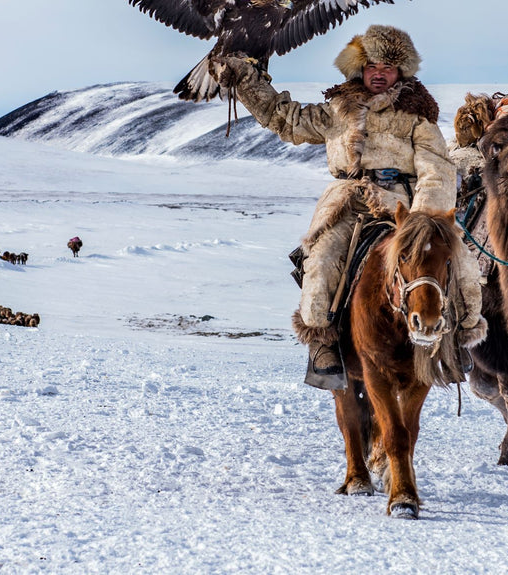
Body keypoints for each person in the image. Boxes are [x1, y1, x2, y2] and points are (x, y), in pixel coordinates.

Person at [209, 24, 487, 387]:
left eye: (388, 68)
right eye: (372, 66)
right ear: (359, 68)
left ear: (401, 72)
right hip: (346, 204)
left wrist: (421, 218)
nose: (379, 74)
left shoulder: (417, 118)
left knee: (460, 261)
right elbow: (285, 117)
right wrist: (245, 81)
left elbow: (437, 168)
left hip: (403, 207)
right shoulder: (336, 111)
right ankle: (321, 340)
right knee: (322, 260)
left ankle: (458, 337)